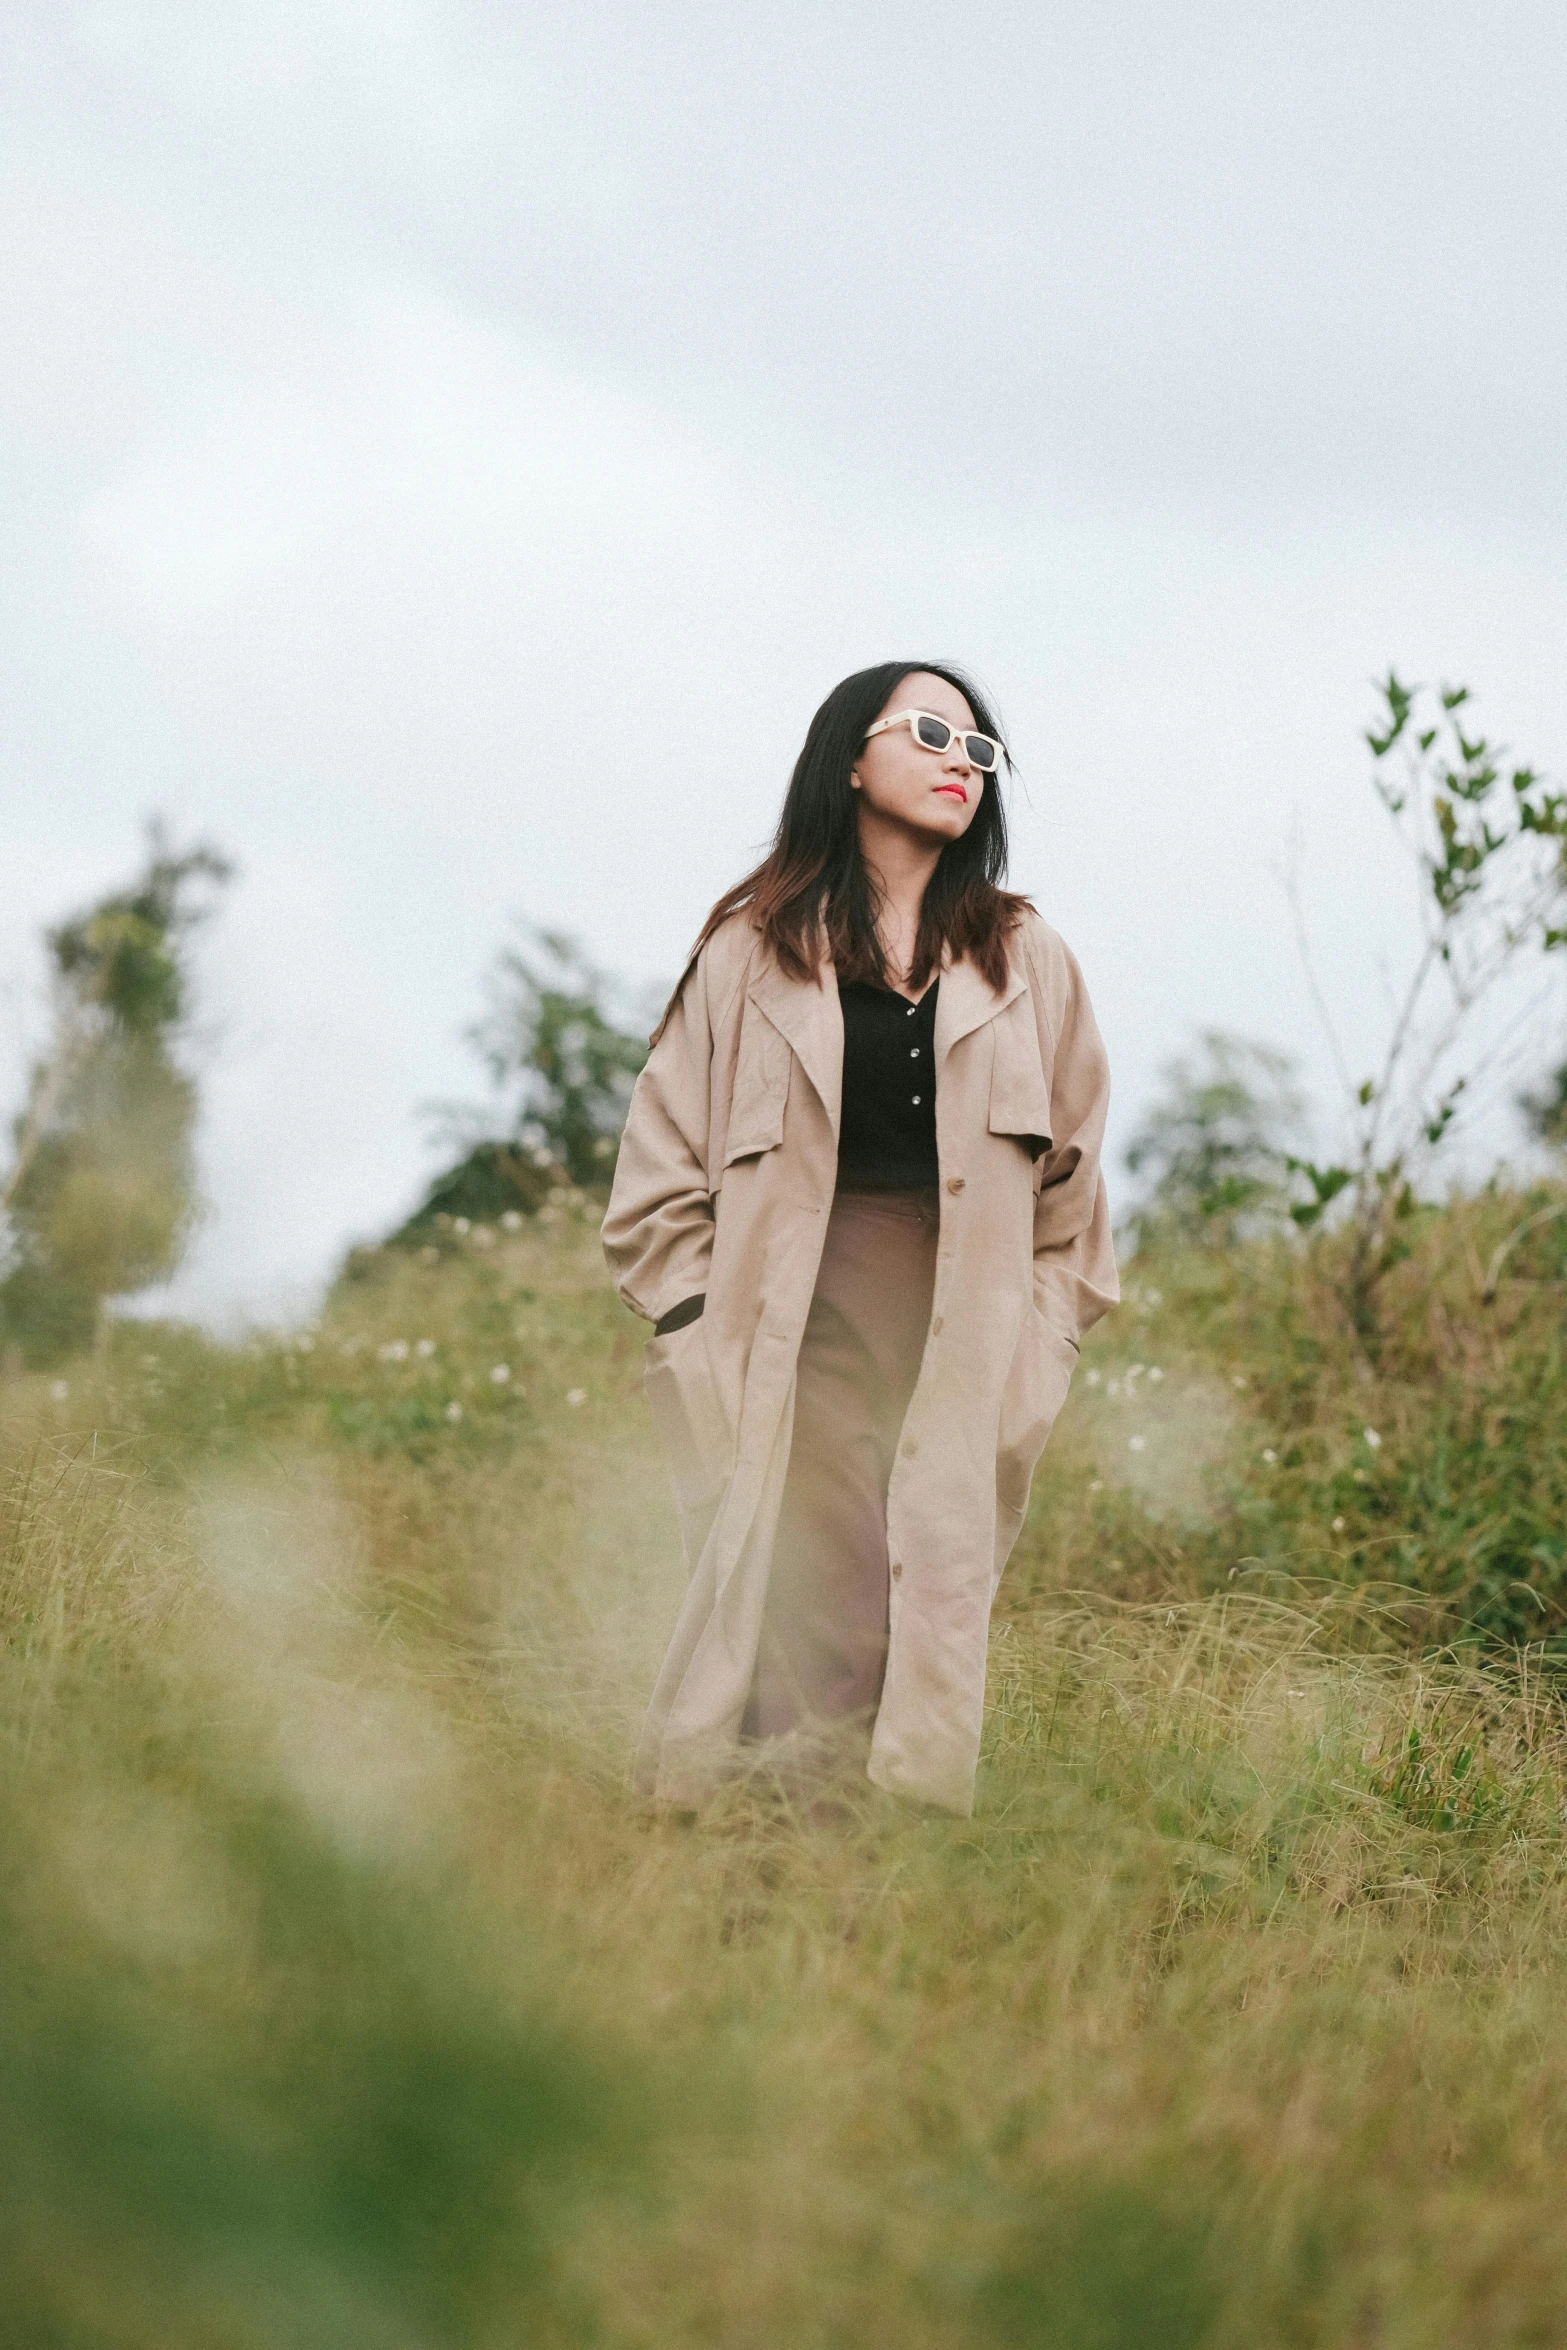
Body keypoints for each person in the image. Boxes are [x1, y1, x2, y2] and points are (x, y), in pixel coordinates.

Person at [602, 662, 1117, 1814]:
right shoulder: (753, 951)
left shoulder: (1027, 960)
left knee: (918, 1616)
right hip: (797, 1326)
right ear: (848, 756)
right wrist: (699, 1326)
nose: (959, 762)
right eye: (931, 732)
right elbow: (654, 1181)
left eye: (980, 751)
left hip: (963, 1340)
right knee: (819, 1601)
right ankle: (787, 1894)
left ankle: (843, 1915)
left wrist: (1038, 1349)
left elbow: (1073, 1204)